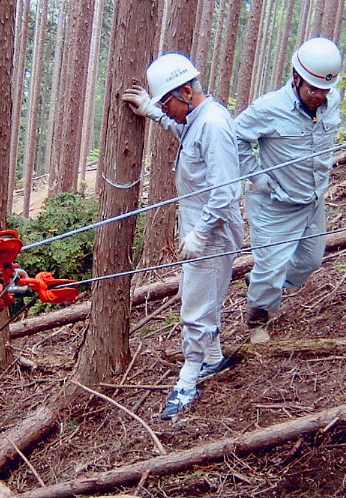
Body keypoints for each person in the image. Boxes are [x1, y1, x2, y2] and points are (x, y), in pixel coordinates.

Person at [122, 53, 243, 419]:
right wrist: (152, 111)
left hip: (214, 231)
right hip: (202, 225)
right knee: (206, 299)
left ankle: (188, 379)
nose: (166, 109)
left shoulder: (215, 125)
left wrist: (201, 234)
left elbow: (226, 190)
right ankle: (213, 358)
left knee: (194, 307)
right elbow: (181, 130)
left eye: (166, 102)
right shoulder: (196, 119)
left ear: (186, 91)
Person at [234, 37, 342, 338]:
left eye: (325, 89)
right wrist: (256, 176)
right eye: (313, 88)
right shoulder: (269, 108)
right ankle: (258, 320)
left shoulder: (333, 101)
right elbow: (236, 137)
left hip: (313, 200)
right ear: (296, 77)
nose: (319, 95)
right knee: (270, 268)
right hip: (275, 205)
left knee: (310, 260)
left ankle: (263, 282)